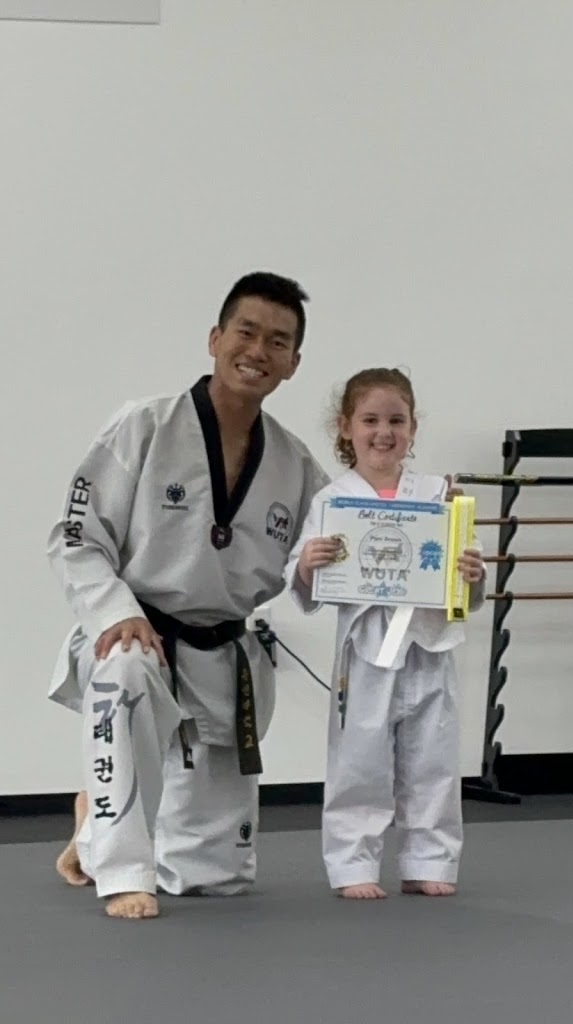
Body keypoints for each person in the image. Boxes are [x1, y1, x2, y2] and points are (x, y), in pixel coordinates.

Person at [47, 271, 329, 920]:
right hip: (140, 632)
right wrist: (117, 614)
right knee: (126, 667)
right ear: (215, 338)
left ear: (293, 362)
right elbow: (76, 537)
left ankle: (92, 825)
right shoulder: (144, 425)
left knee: (214, 878)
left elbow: (327, 560)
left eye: (278, 341)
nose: (258, 350)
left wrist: (432, 535)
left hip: (223, 652)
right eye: (246, 332)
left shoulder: (294, 464)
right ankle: (121, 869)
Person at [284, 368, 485, 900]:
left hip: (429, 646)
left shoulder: (439, 494)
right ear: (345, 427)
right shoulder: (332, 500)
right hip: (365, 650)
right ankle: (353, 864)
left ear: (413, 428)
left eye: (396, 420)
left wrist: (471, 572)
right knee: (359, 761)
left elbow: (467, 573)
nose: (383, 432)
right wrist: (307, 563)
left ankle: (429, 860)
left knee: (434, 760)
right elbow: (302, 582)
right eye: (370, 420)